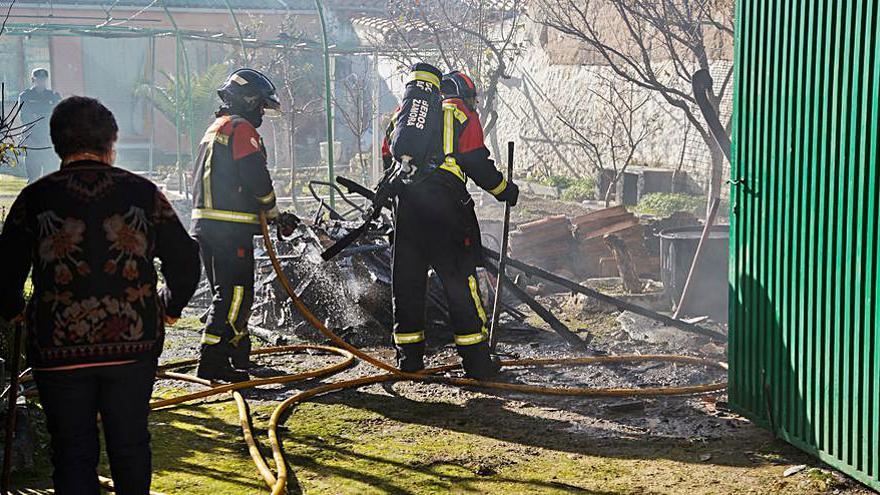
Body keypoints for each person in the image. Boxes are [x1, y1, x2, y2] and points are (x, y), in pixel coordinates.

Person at [0, 96, 201, 494]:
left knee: (72, 451)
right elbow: (186, 258)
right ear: (112, 141)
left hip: (58, 348)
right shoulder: (143, 193)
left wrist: (16, 310)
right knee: (130, 445)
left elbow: (3, 272)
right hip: (132, 345)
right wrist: (170, 305)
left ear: (58, 143)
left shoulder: (34, 198)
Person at [383, 67, 519, 379]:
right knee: (460, 281)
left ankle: (409, 361)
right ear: (466, 95)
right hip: (446, 210)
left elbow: (387, 161)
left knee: (407, 284)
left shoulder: (403, 116)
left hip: (406, 209)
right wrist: (506, 191)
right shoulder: (459, 113)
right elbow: (476, 163)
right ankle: (477, 362)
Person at [191, 68, 281, 382]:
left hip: (208, 226)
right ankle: (213, 358)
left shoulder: (217, 127)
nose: (261, 113)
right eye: (260, 106)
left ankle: (238, 355)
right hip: (231, 228)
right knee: (236, 293)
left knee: (226, 293)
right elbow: (255, 175)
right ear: (248, 100)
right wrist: (271, 209)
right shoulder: (241, 129)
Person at [18, 68, 62, 183]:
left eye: (43, 79)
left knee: (51, 177)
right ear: (33, 80)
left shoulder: (54, 96)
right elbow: (25, 117)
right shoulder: (25, 96)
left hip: (49, 141)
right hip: (33, 141)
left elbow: (60, 116)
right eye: (38, 79)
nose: (41, 82)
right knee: (33, 178)